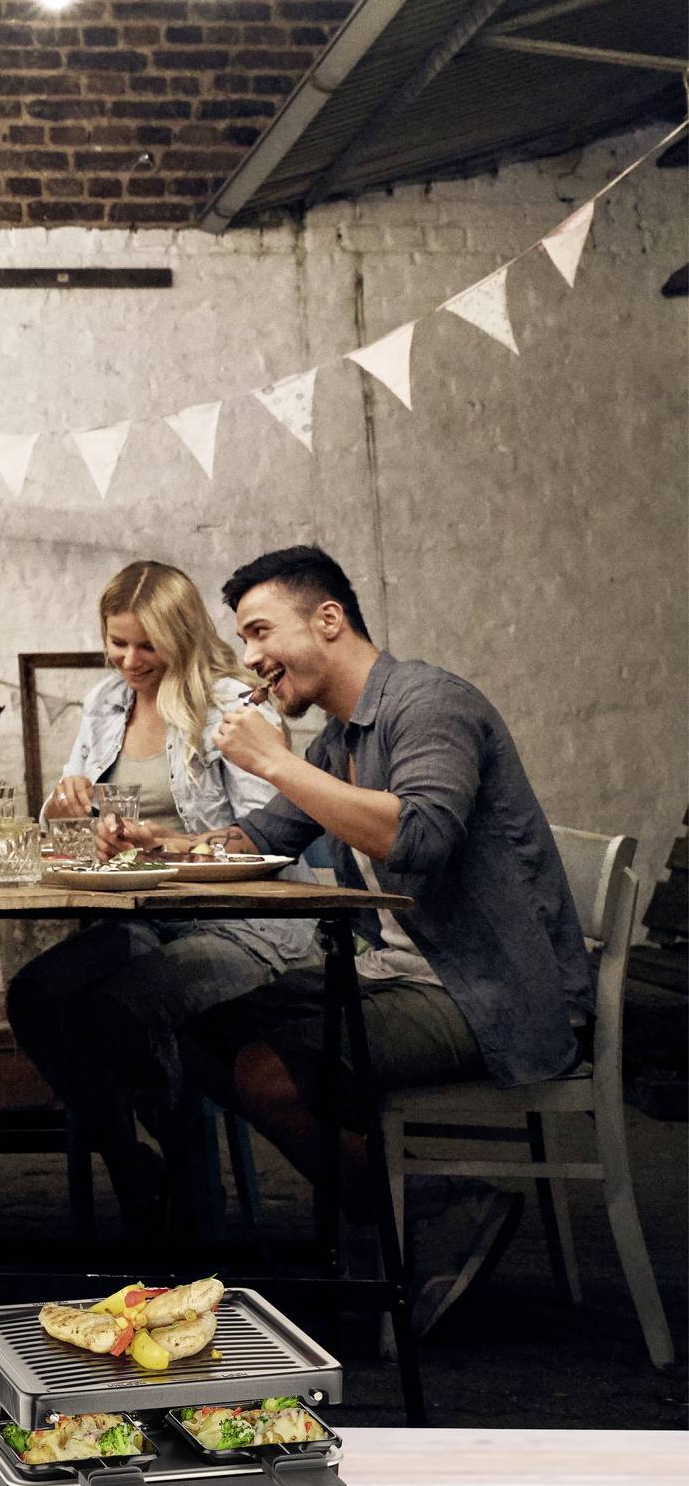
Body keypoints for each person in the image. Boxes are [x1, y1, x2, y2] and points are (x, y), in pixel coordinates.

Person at [178, 542, 595, 1332]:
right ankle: (415, 1210)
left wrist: (274, 759)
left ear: (328, 619)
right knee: (199, 1032)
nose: (251, 659)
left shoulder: (429, 705)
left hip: (487, 989)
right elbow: (264, 837)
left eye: (262, 633)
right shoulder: (342, 737)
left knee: (268, 1069)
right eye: (246, 642)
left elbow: (421, 838)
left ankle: (416, 1219)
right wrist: (149, 843)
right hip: (406, 974)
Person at [5, 558, 319, 1230]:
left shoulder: (232, 706)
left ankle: (190, 1192)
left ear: (182, 634)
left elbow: (267, 841)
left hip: (242, 923)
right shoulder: (106, 703)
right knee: (37, 995)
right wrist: (64, 812)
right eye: (117, 642)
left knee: (127, 1008)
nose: (128, 659)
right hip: (145, 914)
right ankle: (131, 1165)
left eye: (145, 644)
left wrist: (168, 847)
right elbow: (72, 823)